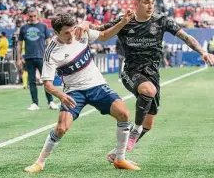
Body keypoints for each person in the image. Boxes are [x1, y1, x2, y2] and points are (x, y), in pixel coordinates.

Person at [91, 0, 214, 156]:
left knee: (149, 124)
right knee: (148, 91)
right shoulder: (124, 21)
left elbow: (186, 37)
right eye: (146, 2)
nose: (150, 6)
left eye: (152, 2)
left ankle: (117, 153)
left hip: (152, 74)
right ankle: (135, 130)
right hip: (131, 71)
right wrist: (86, 25)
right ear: (136, 4)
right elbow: (100, 31)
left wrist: (203, 52)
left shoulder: (161, 21)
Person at [23, 10, 140, 173]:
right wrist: (61, 95)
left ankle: (120, 158)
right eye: (66, 33)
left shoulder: (80, 32)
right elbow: (47, 84)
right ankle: (39, 162)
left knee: (124, 114)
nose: (71, 35)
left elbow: (105, 36)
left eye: (72, 30)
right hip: (73, 92)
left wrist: (123, 22)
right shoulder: (51, 52)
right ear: (56, 32)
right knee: (61, 128)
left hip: (97, 86)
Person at [16, 7, 58, 111]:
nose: (33, 18)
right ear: (28, 16)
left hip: (42, 57)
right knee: (32, 81)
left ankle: (51, 101)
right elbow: (19, 44)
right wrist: (18, 58)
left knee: (46, 80)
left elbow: (49, 42)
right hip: (29, 57)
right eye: (31, 16)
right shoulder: (23, 28)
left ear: (37, 15)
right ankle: (35, 103)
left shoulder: (43, 26)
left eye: (35, 16)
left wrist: (51, 57)